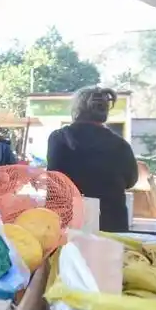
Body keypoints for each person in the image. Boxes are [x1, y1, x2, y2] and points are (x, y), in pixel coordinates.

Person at [46, 87, 138, 232]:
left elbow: (54, 180)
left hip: (67, 226)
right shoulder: (120, 145)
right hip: (110, 227)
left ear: (77, 110)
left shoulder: (58, 139)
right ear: (104, 112)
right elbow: (131, 181)